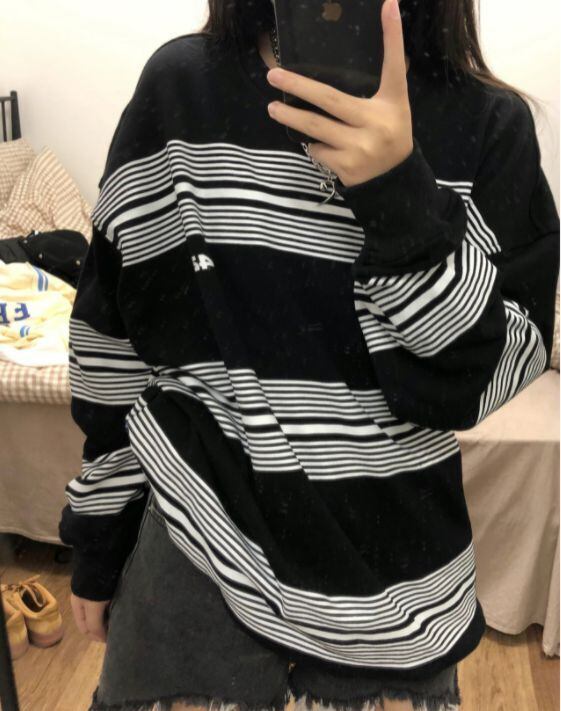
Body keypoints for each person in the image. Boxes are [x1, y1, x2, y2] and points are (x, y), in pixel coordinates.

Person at [58, 0, 560, 710]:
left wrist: (397, 193)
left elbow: (474, 382)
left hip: (396, 590)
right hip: (196, 542)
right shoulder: (181, 89)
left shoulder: (488, 123)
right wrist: (99, 533)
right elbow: (112, 338)